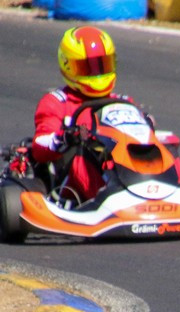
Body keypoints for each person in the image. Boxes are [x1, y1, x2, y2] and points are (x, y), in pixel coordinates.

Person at [31, 25, 148, 204]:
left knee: (164, 145)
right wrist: (64, 138)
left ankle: (159, 191)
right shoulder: (57, 102)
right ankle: (109, 198)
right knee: (85, 153)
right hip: (77, 181)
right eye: (88, 67)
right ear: (68, 66)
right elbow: (39, 146)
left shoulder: (124, 102)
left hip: (126, 167)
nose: (97, 73)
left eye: (103, 64)